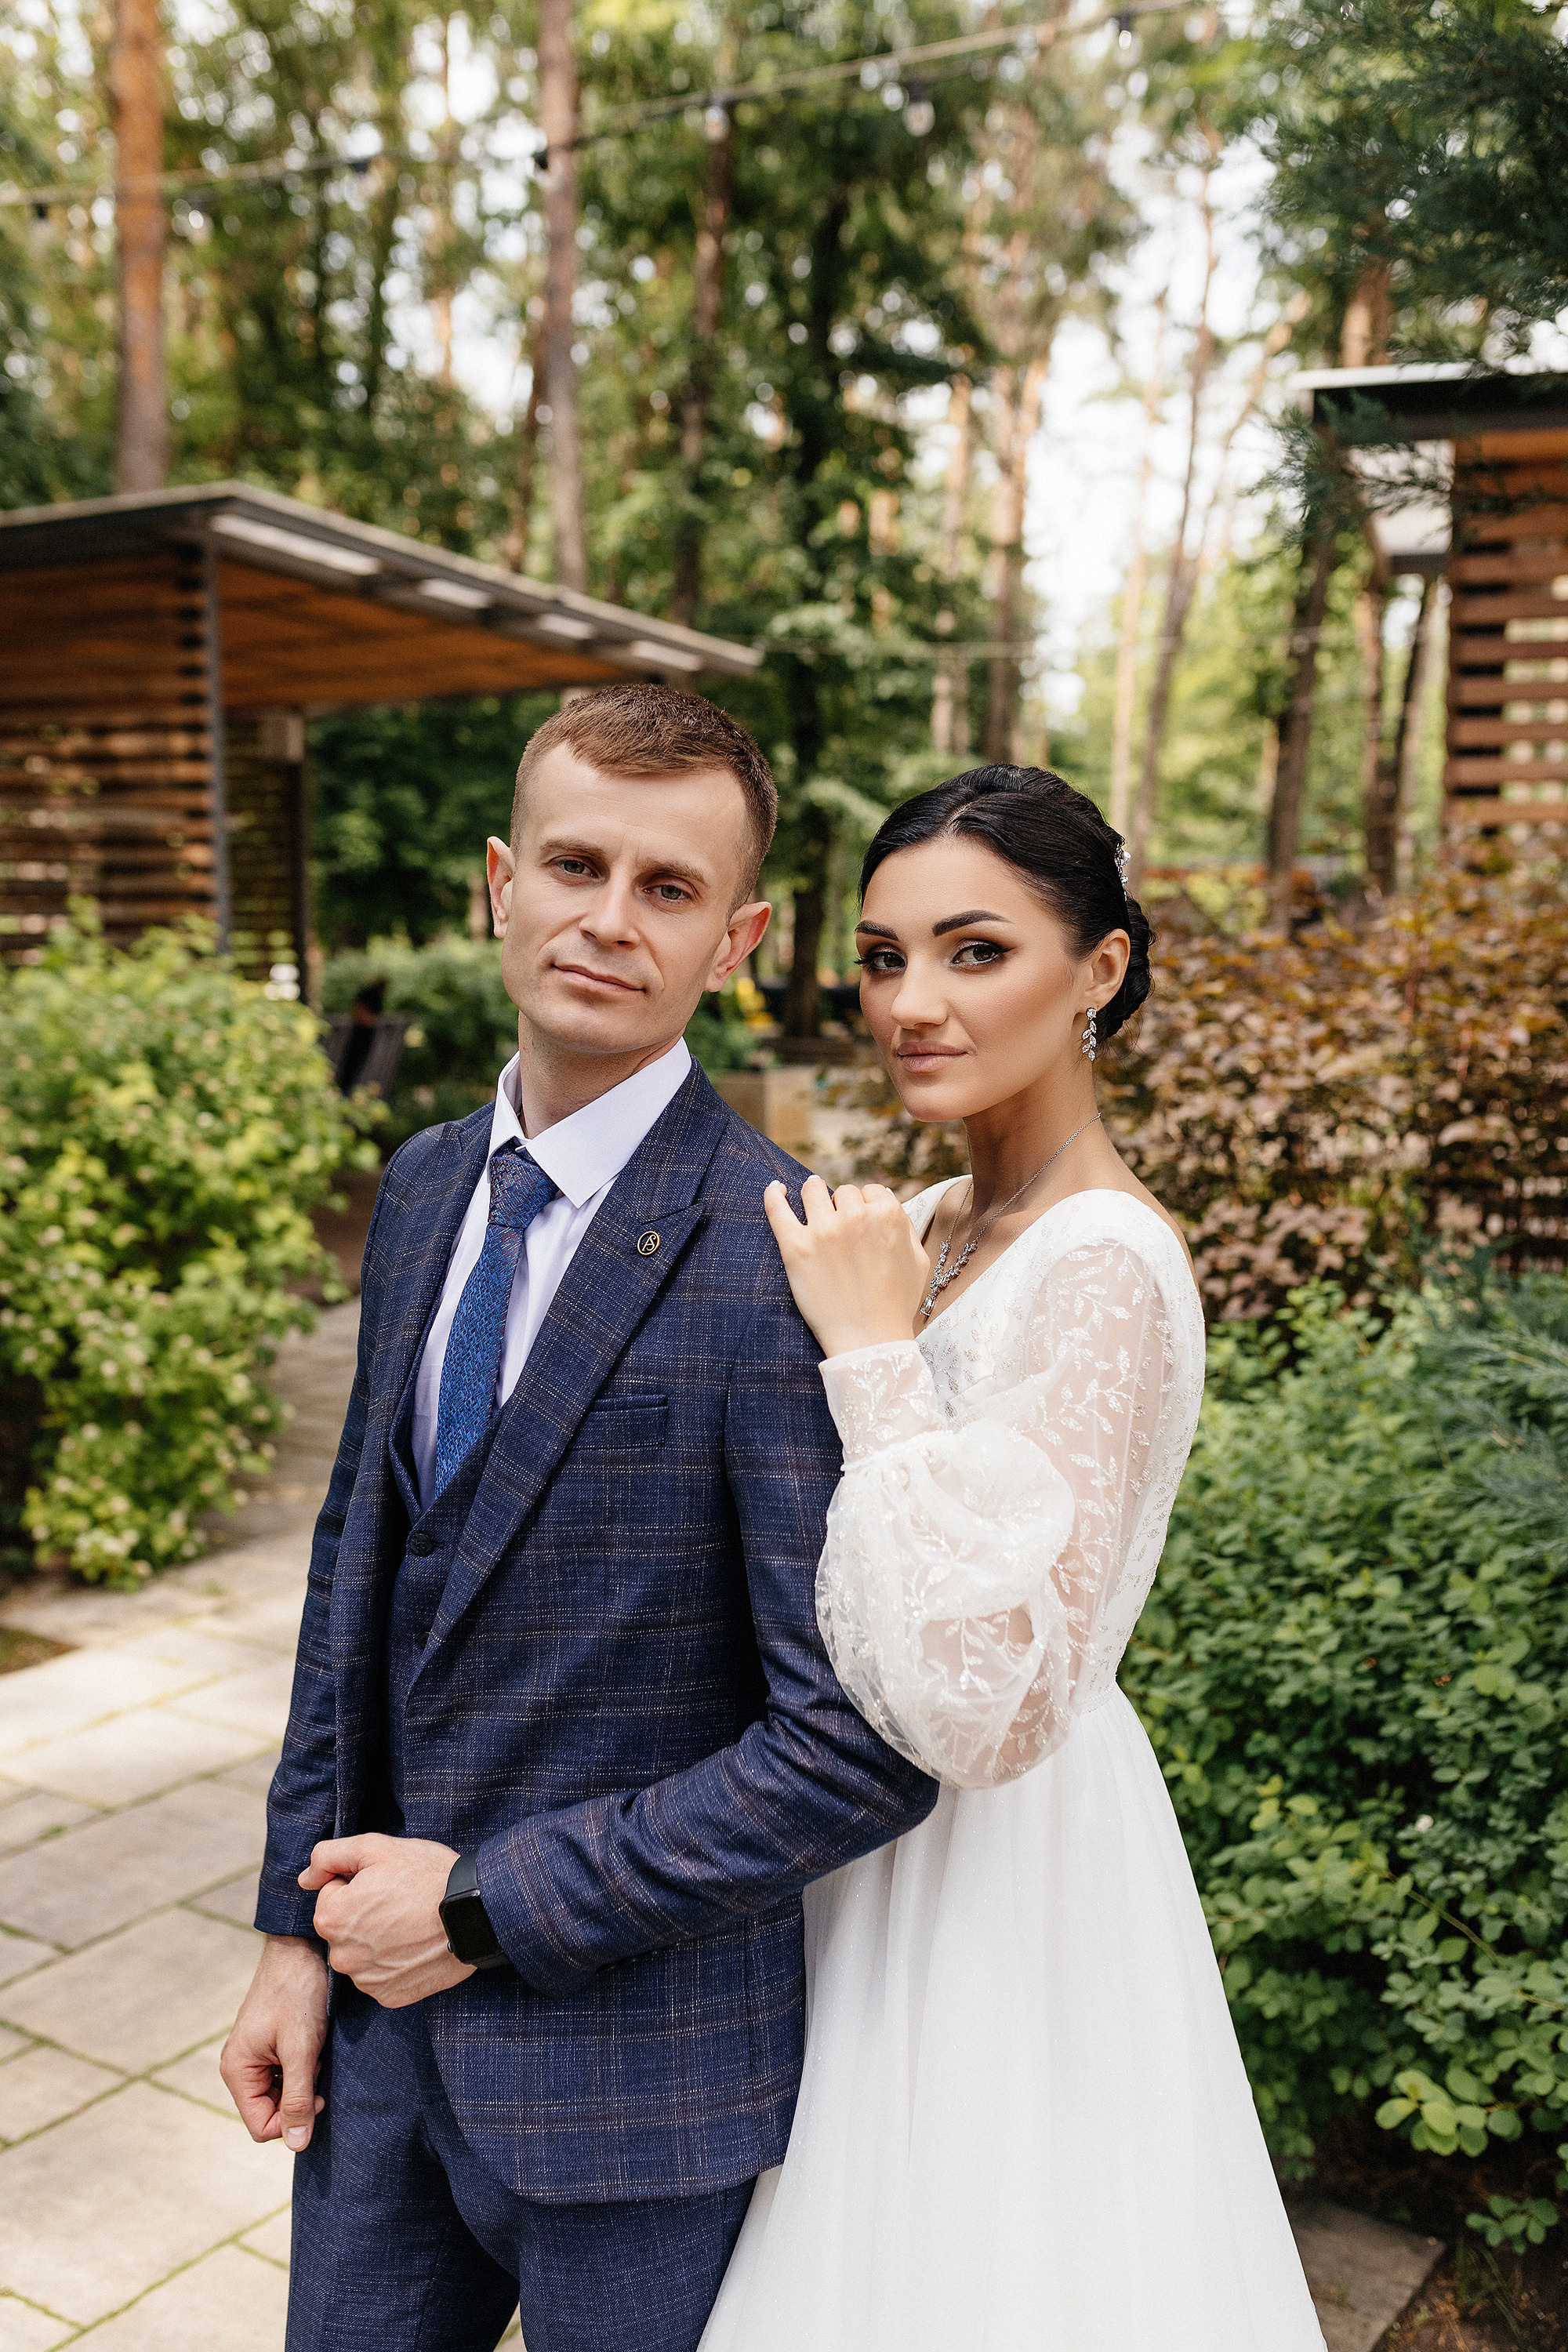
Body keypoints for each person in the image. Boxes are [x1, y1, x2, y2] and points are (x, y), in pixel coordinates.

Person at [220, 684, 937, 2352]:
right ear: (501, 881)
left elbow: (855, 1750)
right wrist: (288, 1936)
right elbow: (354, 1584)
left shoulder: (783, 1259)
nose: (609, 918)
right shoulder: (420, 1188)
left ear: (736, 939)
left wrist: (483, 1906)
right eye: (574, 864)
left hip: (638, 2096)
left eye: (667, 887)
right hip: (373, 2054)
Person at [702, 766, 1326, 2352]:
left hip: (997, 1867)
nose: (912, 1002)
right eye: (883, 956)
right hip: (849, 1826)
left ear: (1098, 968)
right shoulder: (928, 1224)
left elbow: (1000, 1706)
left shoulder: (1104, 1260)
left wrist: (870, 1360)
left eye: (975, 951)